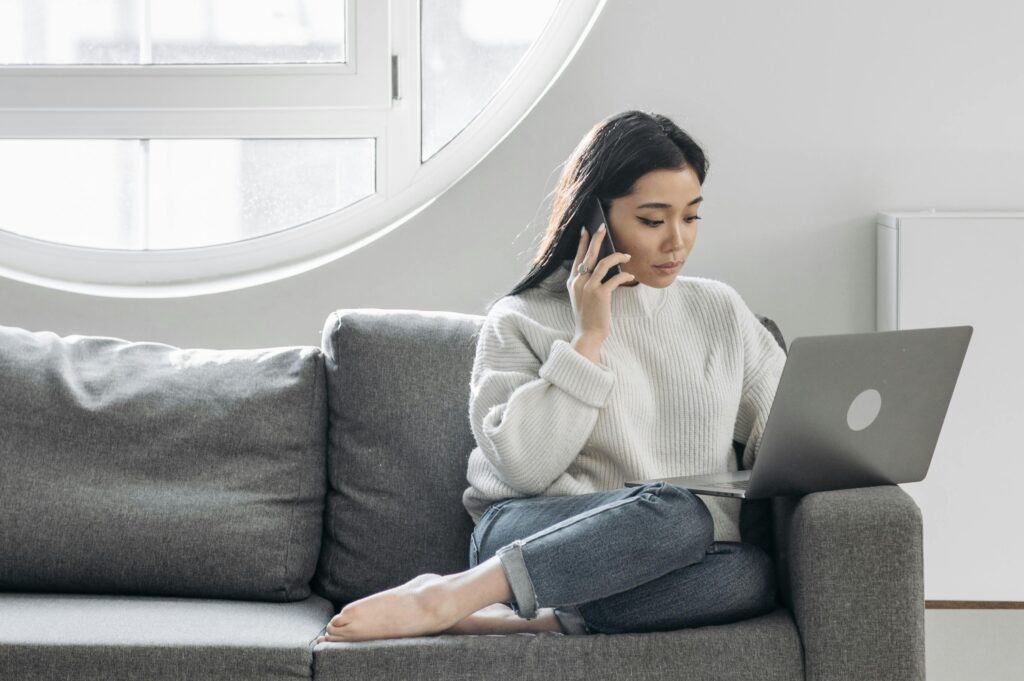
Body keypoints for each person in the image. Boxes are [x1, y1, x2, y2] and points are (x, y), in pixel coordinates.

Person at [317, 110, 786, 643]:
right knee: (680, 513)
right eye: (653, 221)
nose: (676, 242)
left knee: (749, 575)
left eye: (692, 217)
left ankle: (538, 616)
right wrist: (588, 340)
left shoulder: (720, 309)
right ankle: (450, 594)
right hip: (530, 529)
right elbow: (522, 468)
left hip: (661, 556)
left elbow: (788, 427)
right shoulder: (520, 317)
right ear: (593, 219)